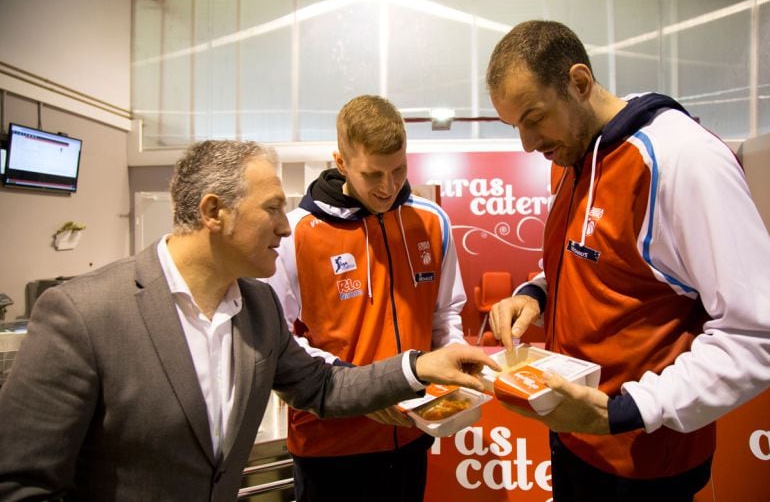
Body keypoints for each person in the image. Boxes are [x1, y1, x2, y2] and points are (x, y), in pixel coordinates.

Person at [0, 140, 498, 502]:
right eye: (273, 210)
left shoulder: (257, 308)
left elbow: (323, 387)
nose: (287, 226)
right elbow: (21, 483)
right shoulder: (83, 313)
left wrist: (419, 366)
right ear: (214, 212)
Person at [485, 20, 770, 501]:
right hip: (577, 442)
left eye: (534, 117)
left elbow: (755, 333)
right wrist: (536, 293)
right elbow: (604, 265)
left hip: (643, 461)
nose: (527, 144)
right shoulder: (577, 161)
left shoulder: (684, 159)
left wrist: (621, 411)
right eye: (516, 127)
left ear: (578, 82)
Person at [265, 94, 468, 502]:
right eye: (373, 174)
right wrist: (359, 389)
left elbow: (446, 316)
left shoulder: (432, 221)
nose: (389, 186)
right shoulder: (295, 234)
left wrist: (456, 362)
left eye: (399, 170)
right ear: (340, 163)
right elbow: (278, 344)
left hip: (412, 437)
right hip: (330, 448)